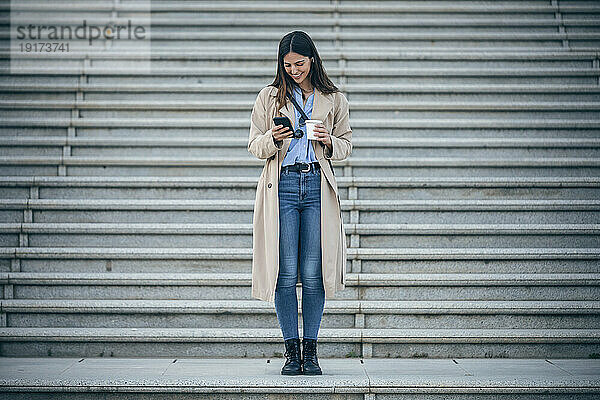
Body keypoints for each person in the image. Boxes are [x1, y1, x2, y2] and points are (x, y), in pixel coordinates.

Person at [247, 30, 352, 376]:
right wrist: (272, 138)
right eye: (288, 65)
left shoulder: (333, 98)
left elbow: (347, 144)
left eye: (300, 64)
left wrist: (329, 141)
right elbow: (254, 146)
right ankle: (291, 352)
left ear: (313, 60)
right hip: (284, 186)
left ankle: (312, 351)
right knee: (285, 271)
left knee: (313, 272)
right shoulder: (269, 97)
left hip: (317, 185)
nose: (294, 70)